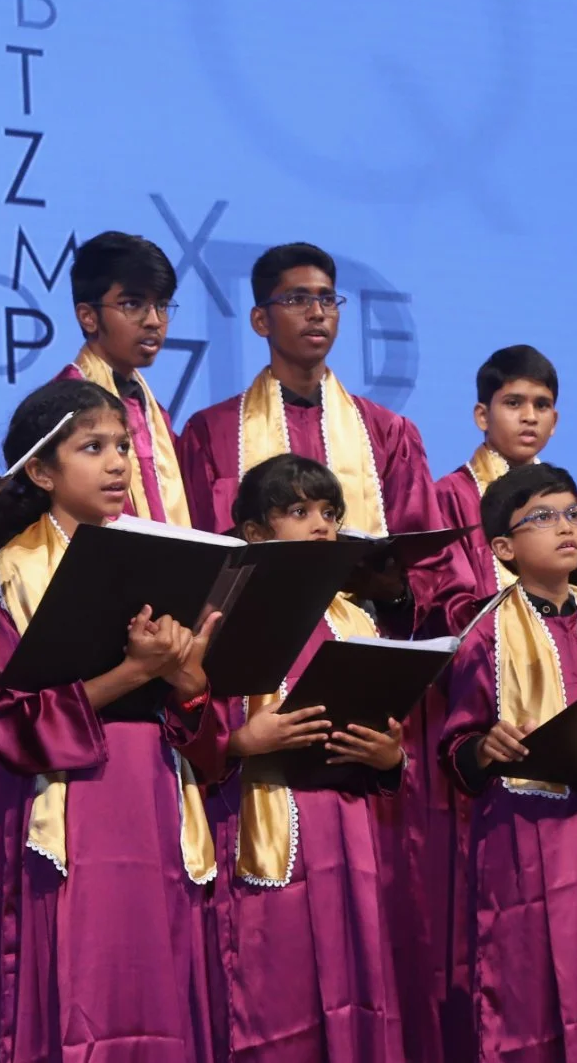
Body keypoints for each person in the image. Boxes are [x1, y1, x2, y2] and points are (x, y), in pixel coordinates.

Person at [177, 241, 463, 1058]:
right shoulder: (210, 431)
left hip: (350, 655)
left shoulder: (388, 431)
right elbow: (207, 561)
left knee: (360, 968)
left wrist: (390, 586)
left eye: (329, 298)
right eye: (297, 299)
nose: (317, 312)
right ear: (262, 317)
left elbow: (429, 566)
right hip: (256, 691)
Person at [0, 378, 225, 1063]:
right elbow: (4, 718)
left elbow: (200, 716)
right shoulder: (9, 569)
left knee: (159, 978)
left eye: (122, 446)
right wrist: (133, 673)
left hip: (156, 794)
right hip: (67, 803)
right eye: (93, 447)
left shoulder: (165, 559)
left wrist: (187, 679)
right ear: (43, 471)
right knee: (77, 975)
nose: (117, 463)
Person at [439, 462, 577, 1062]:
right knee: (529, 999)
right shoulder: (483, 635)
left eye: (573, 513)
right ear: (504, 548)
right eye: (543, 517)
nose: (566, 527)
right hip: (525, 846)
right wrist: (486, 747)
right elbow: (458, 745)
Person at [213, 453, 405, 1063]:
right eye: (298, 511)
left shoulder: (354, 617)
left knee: (356, 990)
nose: (321, 525)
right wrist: (240, 742)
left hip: (345, 826)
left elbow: (385, 725)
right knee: (272, 1000)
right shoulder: (223, 610)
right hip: (261, 819)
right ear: (254, 532)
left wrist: (390, 756)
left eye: (329, 512)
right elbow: (187, 729)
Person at [435, 344, 577, 608]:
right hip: (492, 646)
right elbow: (447, 603)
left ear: (553, 422)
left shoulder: (575, 504)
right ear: (482, 416)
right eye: (513, 403)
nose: (529, 417)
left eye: (541, 405)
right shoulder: (447, 497)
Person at [55, 231, 192, 525]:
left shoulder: (153, 412)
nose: (154, 320)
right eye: (133, 304)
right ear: (88, 316)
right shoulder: (62, 407)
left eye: (162, 305)